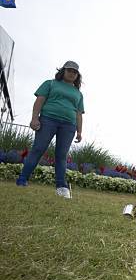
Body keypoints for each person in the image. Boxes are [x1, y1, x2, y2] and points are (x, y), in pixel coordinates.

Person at [17, 61, 84, 198]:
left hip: (68, 125)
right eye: (69, 70)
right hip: (48, 119)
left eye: (74, 72)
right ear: (63, 71)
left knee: (61, 155)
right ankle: (22, 180)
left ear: (77, 75)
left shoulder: (78, 93)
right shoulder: (50, 83)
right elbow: (39, 101)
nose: (72, 73)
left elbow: (78, 113)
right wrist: (35, 118)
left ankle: (61, 187)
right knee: (38, 149)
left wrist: (79, 131)